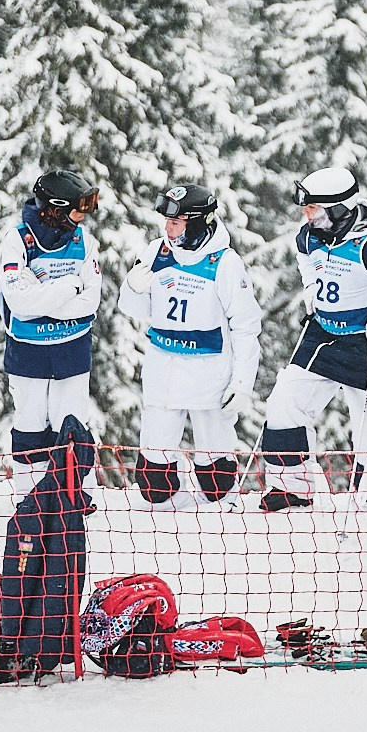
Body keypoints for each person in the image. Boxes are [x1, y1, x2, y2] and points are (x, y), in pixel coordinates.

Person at [260, 166, 367, 512]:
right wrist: (311, 290)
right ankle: (291, 488)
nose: (307, 216)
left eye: (314, 209)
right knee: (283, 402)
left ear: (339, 209)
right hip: (324, 335)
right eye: (306, 209)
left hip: (366, 341)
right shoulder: (310, 236)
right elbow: (304, 257)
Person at [119, 184, 263, 506]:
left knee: (216, 479)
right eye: (166, 221)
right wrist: (132, 288)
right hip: (163, 373)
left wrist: (242, 384)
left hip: (209, 377)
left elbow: (245, 327)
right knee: (154, 480)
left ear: (197, 223)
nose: (167, 229)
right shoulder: (157, 251)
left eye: (176, 222)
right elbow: (135, 309)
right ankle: (172, 510)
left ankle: (217, 513)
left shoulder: (224, 263)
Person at [0, 169, 104, 491]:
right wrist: (69, 286)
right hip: (27, 350)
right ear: (55, 209)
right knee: (30, 427)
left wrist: (41, 298)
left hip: (72, 349)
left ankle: (75, 496)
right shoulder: (18, 240)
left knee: (71, 427)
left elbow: (90, 303)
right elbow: (18, 301)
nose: (82, 218)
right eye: (77, 211)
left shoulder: (85, 242)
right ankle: (29, 498)